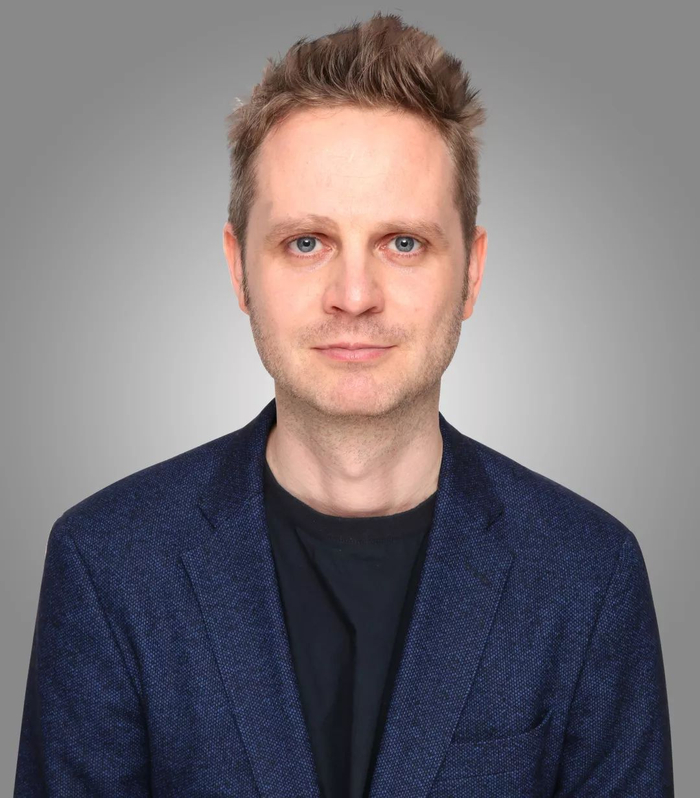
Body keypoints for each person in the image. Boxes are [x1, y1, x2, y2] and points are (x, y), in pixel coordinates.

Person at [14, 12, 673, 798]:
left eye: (403, 242)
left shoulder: (589, 575)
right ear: (238, 268)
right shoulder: (108, 565)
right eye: (306, 242)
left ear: (471, 273)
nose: (354, 296)